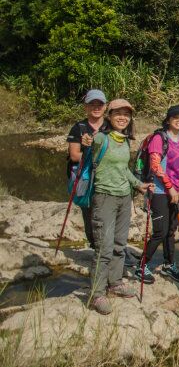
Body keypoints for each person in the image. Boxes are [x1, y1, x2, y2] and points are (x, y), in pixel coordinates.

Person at [88, 99, 151, 315]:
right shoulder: (100, 138)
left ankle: (114, 283)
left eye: (126, 114)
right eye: (118, 113)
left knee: (119, 243)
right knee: (103, 247)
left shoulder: (124, 140)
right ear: (109, 115)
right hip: (104, 197)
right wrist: (87, 138)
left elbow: (124, 169)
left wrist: (138, 185)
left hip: (124, 198)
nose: (122, 117)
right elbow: (89, 138)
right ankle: (97, 294)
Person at [137, 105, 179, 285]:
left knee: (171, 231)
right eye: (175, 117)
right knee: (160, 231)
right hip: (159, 191)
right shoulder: (159, 138)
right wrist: (171, 188)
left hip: (176, 192)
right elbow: (155, 166)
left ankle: (168, 264)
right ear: (168, 120)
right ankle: (141, 265)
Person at [67, 89, 110, 249]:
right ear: (86, 106)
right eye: (92, 104)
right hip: (85, 176)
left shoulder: (110, 126)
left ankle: (106, 245)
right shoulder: (79, 127)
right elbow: (74, 156)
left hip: (106, 176)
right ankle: (94, 244)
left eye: (100, 104)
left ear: (105, 107)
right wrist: (90, 150)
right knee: (89, 211)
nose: (96, 107)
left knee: (106, 211)